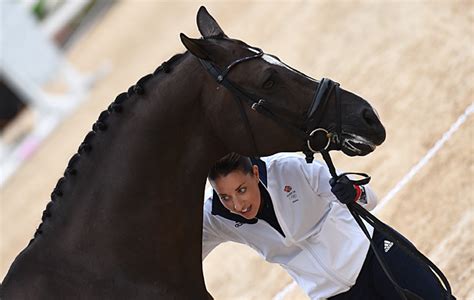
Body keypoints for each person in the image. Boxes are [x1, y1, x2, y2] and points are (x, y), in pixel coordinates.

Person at [202, 152, 450, 300]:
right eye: (225, 196)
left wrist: (352, 191)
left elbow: (369, 198)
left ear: (255, 173)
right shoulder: (216, 217)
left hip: (376, 257)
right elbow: (175, 256)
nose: (237, 204)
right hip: (334, 295)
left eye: (241, 190)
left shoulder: (291, 169)